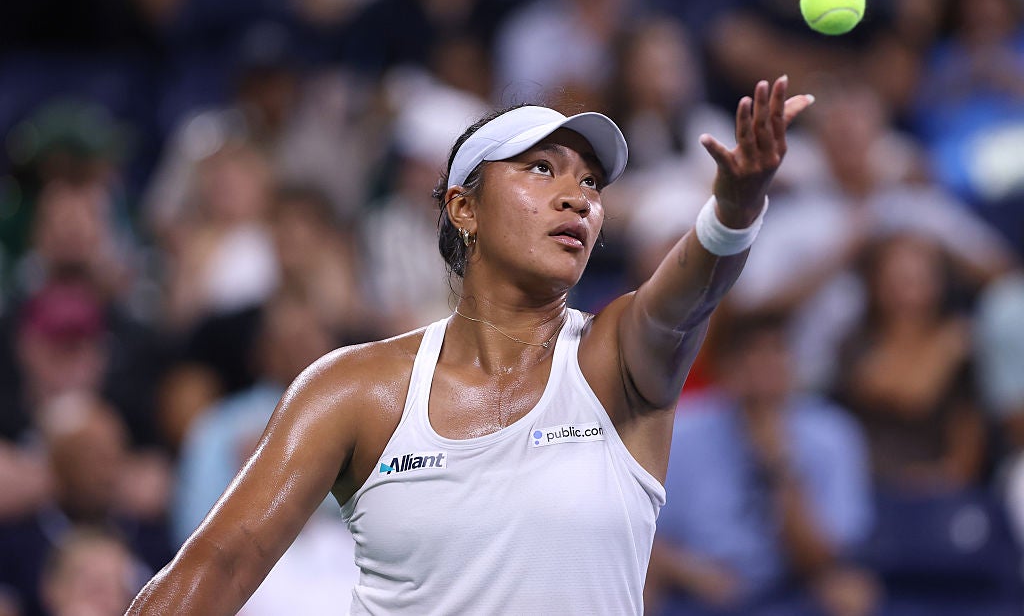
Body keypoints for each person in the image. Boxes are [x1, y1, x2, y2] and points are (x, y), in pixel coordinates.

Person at [126, 75, 812, 614]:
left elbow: (687, 296)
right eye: (542, 169)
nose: (577, 196)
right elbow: (216, 565)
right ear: (464, 207)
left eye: (591, 182)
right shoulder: (353, 389)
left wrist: (735, 207)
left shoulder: (618, 361)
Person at [646, 312, 877, 616]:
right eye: (750, 354)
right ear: (726, 367)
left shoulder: (833, 433)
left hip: (794, 584)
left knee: (852, 594)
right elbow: (643, 533)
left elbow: (823, 558)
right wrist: (688, 570)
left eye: (776, 352)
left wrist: (778, 464)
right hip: (700, 585)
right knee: (641, 578)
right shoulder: (682, 427)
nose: (763, 367)